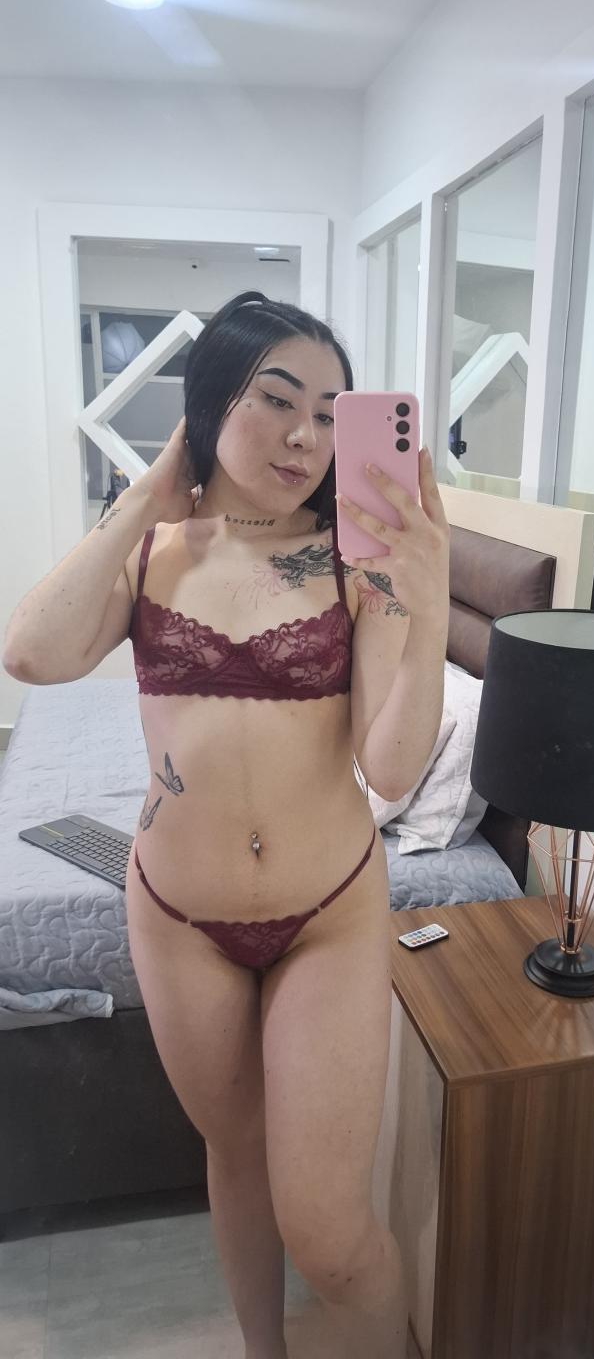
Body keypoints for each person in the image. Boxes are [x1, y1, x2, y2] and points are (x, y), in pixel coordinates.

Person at [2, 291, 450, 1359]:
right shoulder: (154, 548)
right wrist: (144, 497)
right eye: (276, 400)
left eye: (330, 414)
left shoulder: (356, 561)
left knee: (332, 1236)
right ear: (210, 404)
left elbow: (390, 767)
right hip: (178, 918)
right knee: (235, 1158)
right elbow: (30, 654)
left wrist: (427, 599)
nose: (305, 436)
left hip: (328, 914)